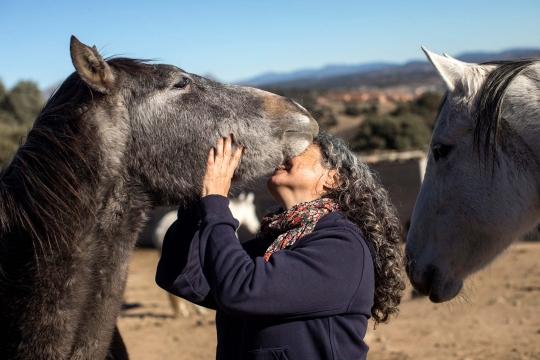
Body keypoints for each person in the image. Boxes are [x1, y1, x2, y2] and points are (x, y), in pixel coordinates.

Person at [156, 133, 405, 359]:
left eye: (298, 149)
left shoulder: (343, 246)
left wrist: (216, 203)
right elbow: (183, 278)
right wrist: (195, 202)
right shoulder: (271, 242)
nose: (283, 155)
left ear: (334, 178)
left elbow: (242, 289)